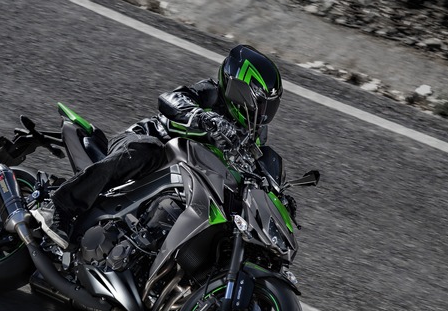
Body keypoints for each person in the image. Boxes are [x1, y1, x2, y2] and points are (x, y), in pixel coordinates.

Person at [32, 44, 283, 248]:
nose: (263, 112)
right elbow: (171, 99)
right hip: (144, 143)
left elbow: (259, 167)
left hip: (189, 182)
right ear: (239, 91)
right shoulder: (211, 93)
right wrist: (203, 117)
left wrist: (278, 194)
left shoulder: (255, 136)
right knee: (148, 150)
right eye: (260, 103)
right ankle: (59, 205)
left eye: (269, 106)